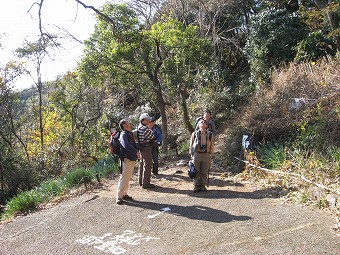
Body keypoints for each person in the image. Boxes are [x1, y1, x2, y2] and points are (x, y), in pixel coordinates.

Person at [116, 119, 140, 205]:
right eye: (127, 122)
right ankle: (119, 197)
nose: (129, 123)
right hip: (126, 159)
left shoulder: (128, 134)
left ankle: (124, 194)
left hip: (130, 159)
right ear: (124, 125)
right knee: (124, 177)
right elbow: (125, 145)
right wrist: (135, 151)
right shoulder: (123, 134)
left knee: (128, 177)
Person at [189, 119, 214, 193]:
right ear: (198, 125)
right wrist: (191, 154)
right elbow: (191, 144)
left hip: (206, 154)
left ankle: (203, 185)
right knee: (196, 171)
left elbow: (212, 145)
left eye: (204, 123)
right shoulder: (194, 134)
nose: (203, 123)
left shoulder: (210, 135)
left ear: (206, 125)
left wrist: (211, 155)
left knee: (204, 171)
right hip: (197, 154)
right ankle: (196, 186)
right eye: (201, 122)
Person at [137, 113, 155, 189]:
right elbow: (152, 135)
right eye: (147, 120)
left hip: (141, 148)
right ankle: (146, 184)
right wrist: (150, 128)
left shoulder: (139, 127)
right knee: (148, 165)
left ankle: (140, 181)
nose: (149, 121)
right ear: (143, 120)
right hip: (146, 148)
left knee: (142, 164)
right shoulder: (144, 128)